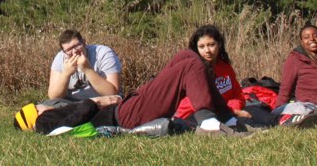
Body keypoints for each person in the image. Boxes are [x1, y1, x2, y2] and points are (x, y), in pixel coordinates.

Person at [17, 48, 238, 134]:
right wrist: (98, 102)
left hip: (127, 106)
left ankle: (226, 118)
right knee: (190, 65)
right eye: (34, 107)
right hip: (125, 115)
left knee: (185, 56)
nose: (39, 104)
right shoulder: (45, 121)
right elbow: (78, 116)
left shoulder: (52, 114)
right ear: (33, 115)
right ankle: (209, 124)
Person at [174, 25, 252, 123]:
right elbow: (203, 104)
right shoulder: (195, 71)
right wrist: (232, 112)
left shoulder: (225, 67)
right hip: (195, 115)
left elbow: (238, 95)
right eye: (201, 47)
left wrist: (233, 109)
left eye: (211, 45)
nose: (207, 50)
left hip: (225, 112)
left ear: (219, 44)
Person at [43, 30, 121, 107]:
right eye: (68, 50)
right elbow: (53, 97)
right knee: (43, 108)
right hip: (70, 104)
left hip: (99, 103)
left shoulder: (104, 53)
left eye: (76, 46)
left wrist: (87, 69)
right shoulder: (60, 58)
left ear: (84, 42)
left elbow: (112, 92)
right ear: (63, 52)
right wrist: (66, 74)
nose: (74, 52)